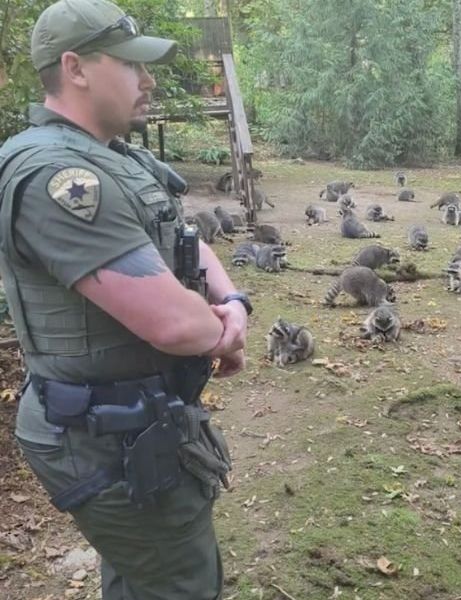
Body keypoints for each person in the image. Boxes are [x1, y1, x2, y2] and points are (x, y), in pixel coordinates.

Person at [0, 1, 252, 597]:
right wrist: (218, 332)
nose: (150, 79)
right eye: (131, 65)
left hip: (140, 422)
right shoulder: (58, 178)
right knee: (181, 584)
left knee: (147, 577)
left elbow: (186, 235)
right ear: (75, 68)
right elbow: (171, 323)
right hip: (99, 435)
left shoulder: (118, 156)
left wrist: (233, 302)